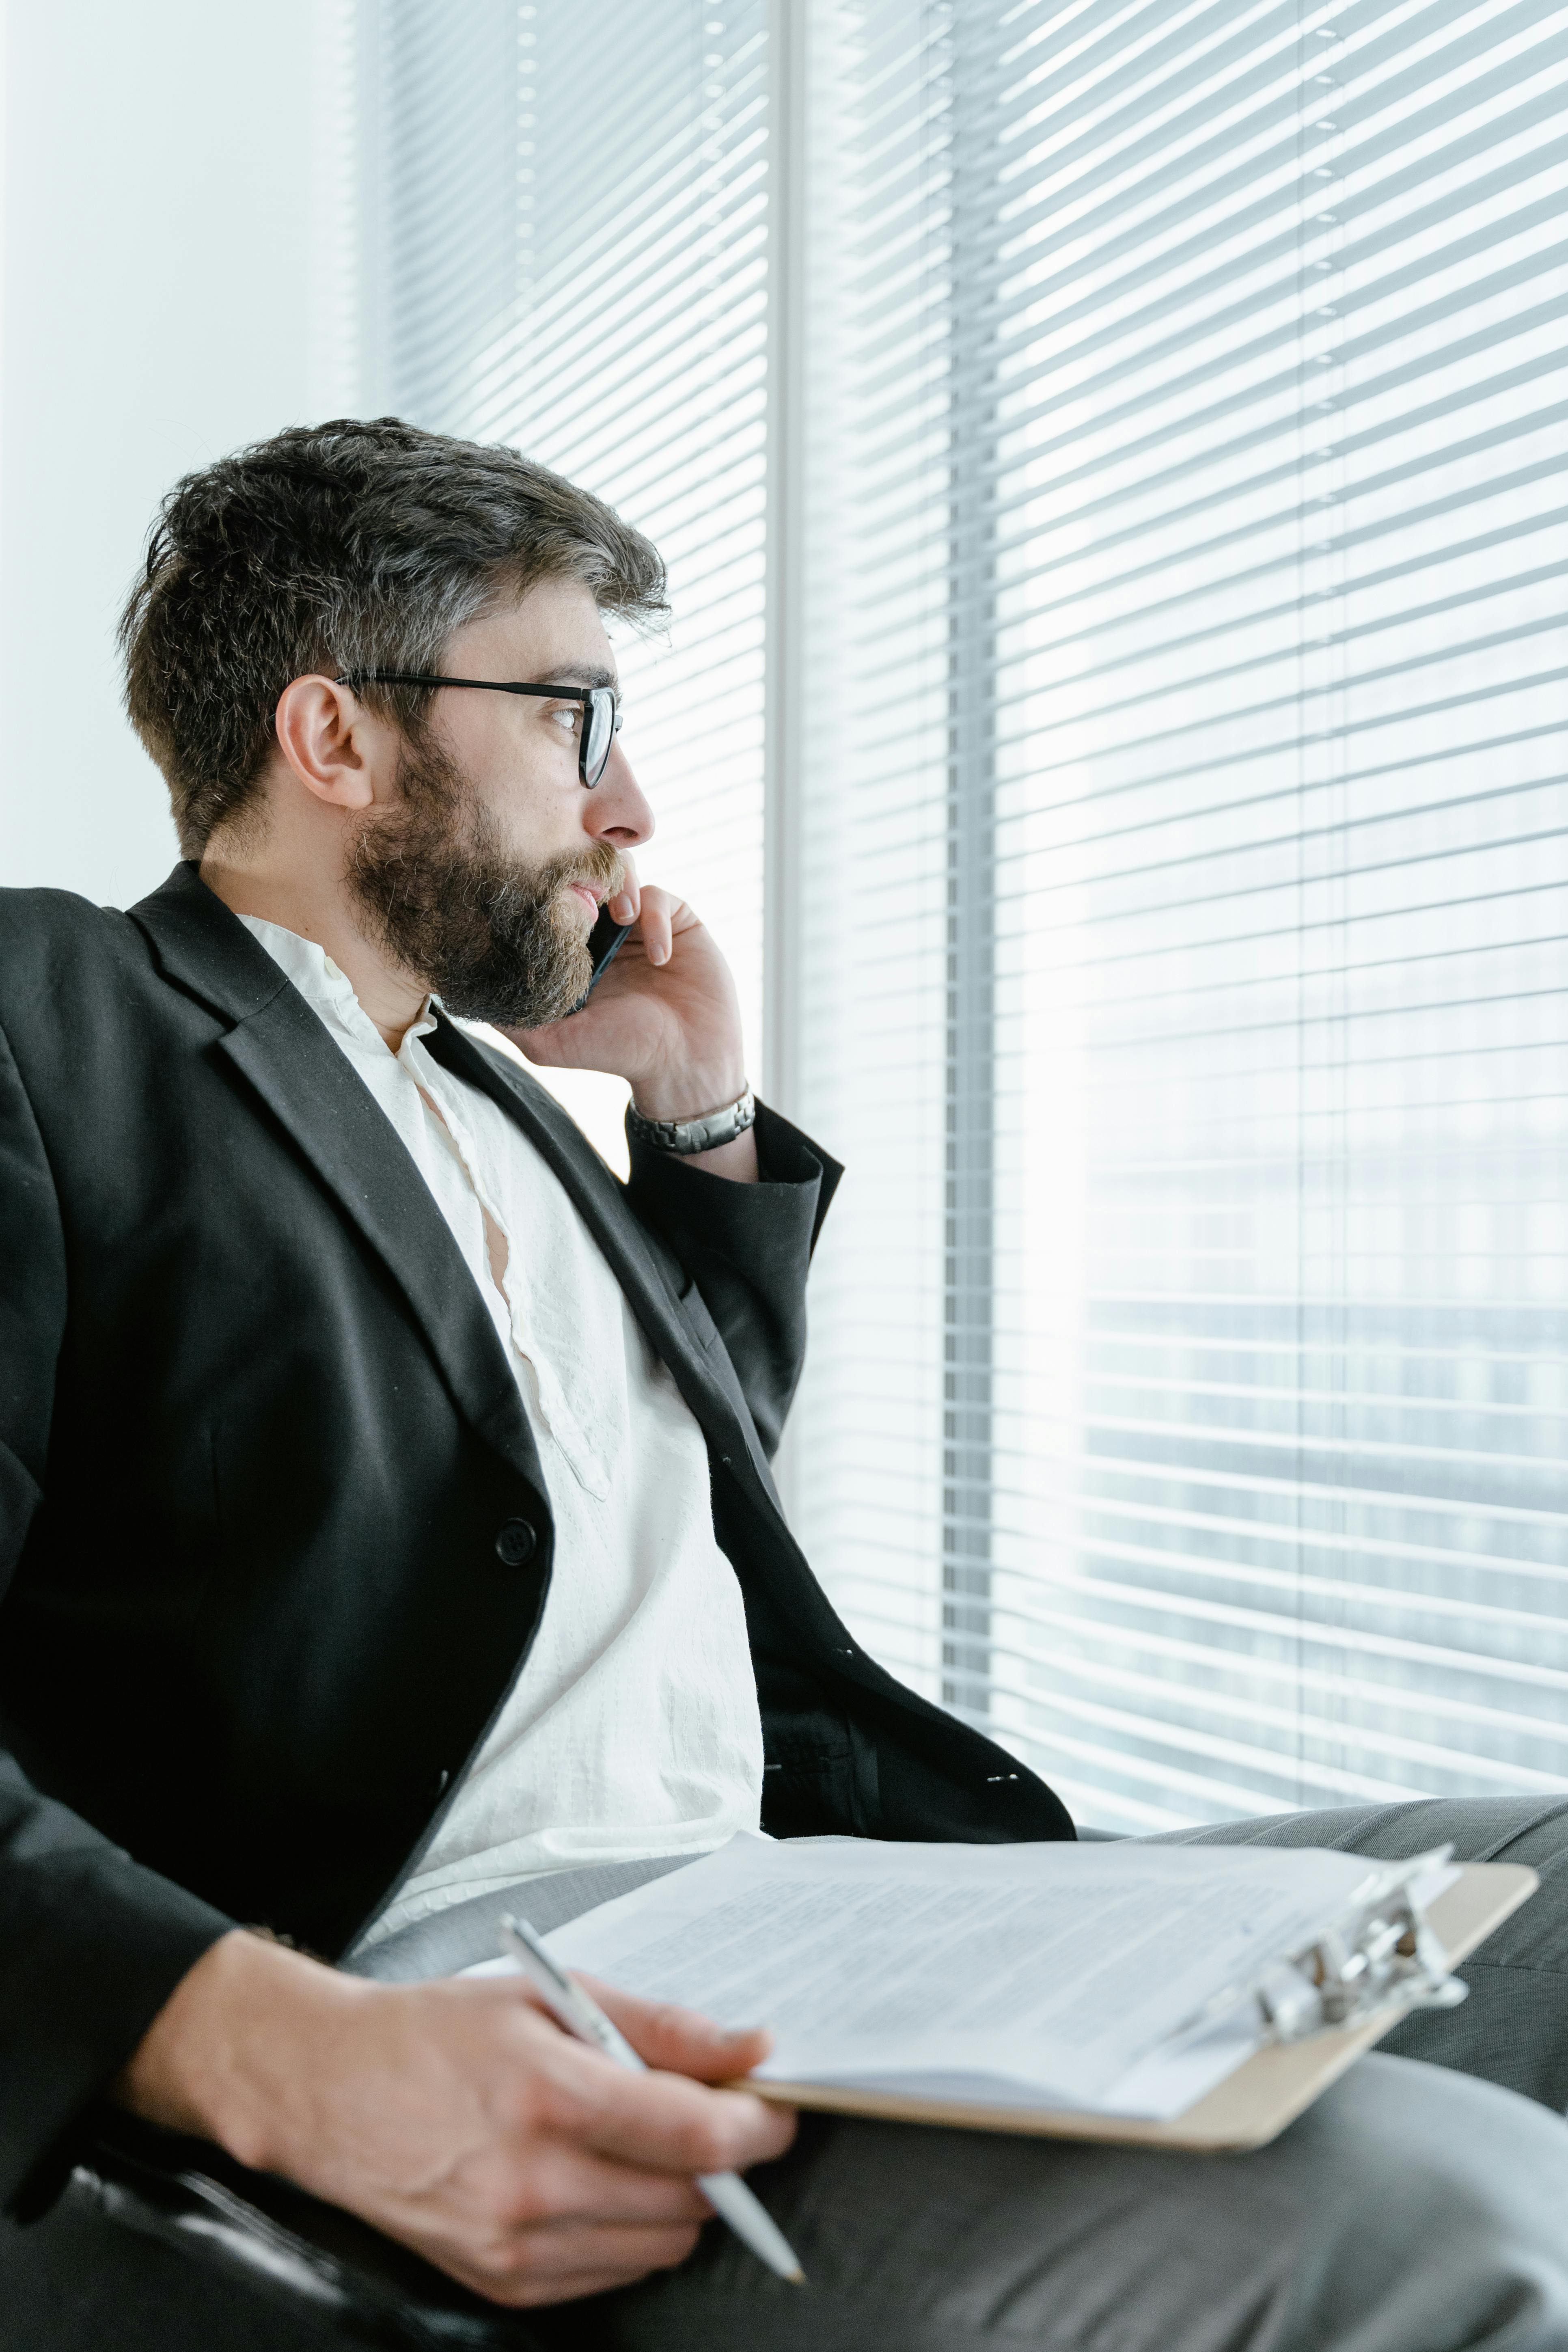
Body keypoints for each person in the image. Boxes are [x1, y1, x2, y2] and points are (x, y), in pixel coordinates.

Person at [1, 418, 1566, 2352]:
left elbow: (617, 1499)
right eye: (578, 717)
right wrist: (255, 2041)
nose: (633, 803)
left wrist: (697, 1114)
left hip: (783, 1894)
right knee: (1451, 2220)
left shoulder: (490, 1091)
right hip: (448, 1964)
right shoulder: (55, 1023)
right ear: (335, 739)